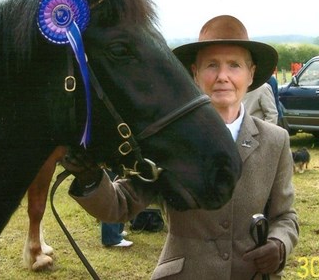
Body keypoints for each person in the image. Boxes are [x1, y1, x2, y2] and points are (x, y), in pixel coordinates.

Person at [64, 15, 299, 279]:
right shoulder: (172, 139)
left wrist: (279, 244)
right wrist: (90, 179)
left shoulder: (275, 140)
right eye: (212, 65)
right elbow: (120, 205)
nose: (223, 76)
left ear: (251, 73)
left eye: (234, 65)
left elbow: (285, 216)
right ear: (194, 74)